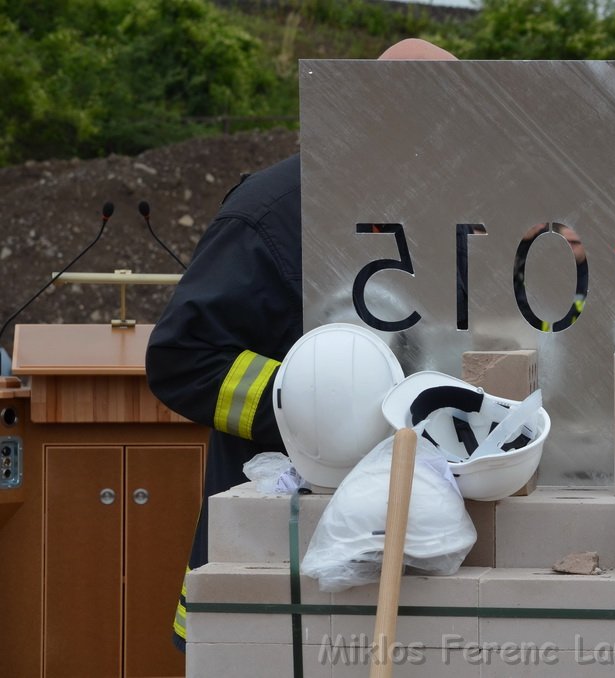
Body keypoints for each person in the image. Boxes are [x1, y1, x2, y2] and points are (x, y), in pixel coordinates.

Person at [145, 38, 458, 652]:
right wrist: (317, 412)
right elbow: (185, 355)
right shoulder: (276, 213)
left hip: (422, 535)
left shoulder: (455, 208)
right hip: (286, 549)